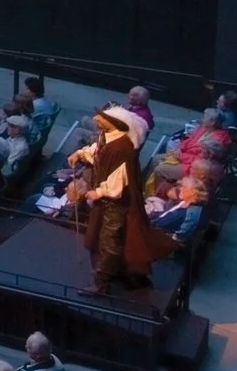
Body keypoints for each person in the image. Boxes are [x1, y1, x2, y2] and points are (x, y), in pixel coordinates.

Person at [68, 104, 170, 290]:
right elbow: (98, 153)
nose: (97, 119)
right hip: (105, 202)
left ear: (115, 123)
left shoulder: (122, 148)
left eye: (102, 117)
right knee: (108, 238)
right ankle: (122, 273)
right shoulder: (106, 138)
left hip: (117, 204)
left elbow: (119, 179)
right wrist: (80, 153)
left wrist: (99, 192)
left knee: (109, 242)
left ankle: (101, 283)